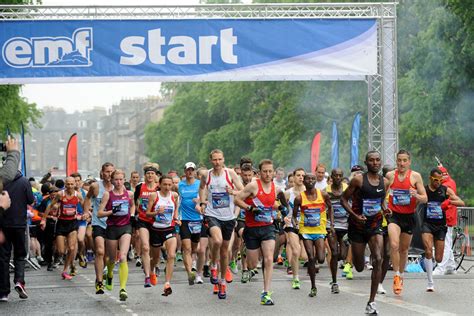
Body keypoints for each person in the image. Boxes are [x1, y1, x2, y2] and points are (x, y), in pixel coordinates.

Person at [341, 151, 389, 315]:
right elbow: (343, 198)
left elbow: (380, 199)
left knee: (378, 258)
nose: (375, 163)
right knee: (360, 267)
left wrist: (385, 209)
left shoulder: (386, 182)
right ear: (366, 162)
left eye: (377, 160)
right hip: (357, 226)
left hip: (375, 225)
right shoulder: (358, 180)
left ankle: (371, 302)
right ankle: (352, 249)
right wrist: (354, 215)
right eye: (371, 160)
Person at [199, 149, 243, 299]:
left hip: (228, 217)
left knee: (225, 252)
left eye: (220, 159)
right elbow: (202, 188)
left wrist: (234, 192)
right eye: (214, 160)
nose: (217, 162)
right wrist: (203, 201)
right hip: (212, 215)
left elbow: (243, 191)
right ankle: (212, 265)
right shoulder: (207, 174)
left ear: (223, 160)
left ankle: (222, 281)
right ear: (211, 161)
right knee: (216, 240)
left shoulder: (230, 174)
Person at [236, 159, 280, 305]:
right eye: (265, 171)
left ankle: (266, 292)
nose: (268, 174)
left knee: (268, 259)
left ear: (273, 172)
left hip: (268, 227)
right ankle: (245, 251)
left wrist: (280, 210)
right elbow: (237, 199)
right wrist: (249, 208)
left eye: (270, 171)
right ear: (260, 172)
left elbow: (273, 203)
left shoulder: (275, 187)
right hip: (252, 228)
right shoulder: (253, 185)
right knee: (253, 265)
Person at [385, 150, 427, 295]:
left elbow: (425, 198)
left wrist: (416, 194)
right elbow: (381, 195)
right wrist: (384, 208)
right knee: (394, 244)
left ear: (409, 162)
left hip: (409, 217)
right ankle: (396, 275)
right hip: (394, 215)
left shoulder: (415, 176)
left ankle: (401, 275)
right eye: (399, 160)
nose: (401, 163)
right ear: (396, 161)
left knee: (404, 250)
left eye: (404, 160)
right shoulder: (390, 176)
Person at [422, 168, 464, 291]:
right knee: (428, 251)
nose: (438, 182)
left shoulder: (445, 190)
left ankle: (434, 262)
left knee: (439, 258)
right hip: (427, 224)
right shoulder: (424, 189)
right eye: (435, 180)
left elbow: (461, 202)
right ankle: (430, 283)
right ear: (430, 178)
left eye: (440, 180)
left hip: (440, 226)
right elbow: (417, 198)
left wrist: (449, 202)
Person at [98, 169, 135, 301]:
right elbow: (99, 213)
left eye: (121, 179)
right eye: (116, 179)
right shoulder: (108, 195)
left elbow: (132, 206)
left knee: (123, 256)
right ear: (112, 180)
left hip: (125, 227)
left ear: (124, 180)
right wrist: (111, 212)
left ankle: (123, 288)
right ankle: (109, 275)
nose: (119, 182)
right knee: (112, 259)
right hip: (112, 228)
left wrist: (132, 215)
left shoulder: (129, 194)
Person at [0, 169, 34, 301]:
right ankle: (19, 281)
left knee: (3, 257)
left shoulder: (1, 181)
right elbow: (31, 200)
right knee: (20, 255)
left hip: (3, 223)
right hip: (19, 224)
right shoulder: (25, 182)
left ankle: (3, 293)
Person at [83, 162, 114, 294]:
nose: (109, 174)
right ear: (102, 172)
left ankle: (108, 272)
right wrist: (86, 211)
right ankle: (99, 281)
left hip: (113, 224)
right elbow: (88, 198)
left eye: (112, 172)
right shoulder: (96, 186)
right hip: (98, 223)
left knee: (110, 256)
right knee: (100, 252)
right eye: (107, 171)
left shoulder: (117, 186)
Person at [46, 177, 85, 280]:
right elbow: (50, 206)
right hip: (61, 224)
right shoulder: (60, 194)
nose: (70, 186)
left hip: (72, 223)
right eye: (68, 184)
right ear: (65, 184)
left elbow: (85, 205)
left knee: (72, 248)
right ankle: (68, 262)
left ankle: (65, 270)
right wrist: (43, 219)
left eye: (72, 184)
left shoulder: (78, 195)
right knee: (61, 251)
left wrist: (86, 213)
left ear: (74, 185)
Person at [146, 175, 180, 296]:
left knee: (171, 255)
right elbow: (147, 214)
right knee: (155, 258)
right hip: (155, 229)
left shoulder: (174, 196)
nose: (167, 187)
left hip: (169, 228)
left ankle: (167, 283)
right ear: (159, 184)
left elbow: (175, 209)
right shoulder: (154, 196)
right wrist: (156, 212)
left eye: (169, 185)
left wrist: (176, 218)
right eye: (164, 184)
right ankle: (152, 270)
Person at [178, 162, 206, 285]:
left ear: (195, 172)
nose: (190, 172)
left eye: (192, 170)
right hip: (184, 219)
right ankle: (190, 273)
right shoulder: (180, 185)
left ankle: (195, 264)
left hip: (198, 219)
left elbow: (206, 199)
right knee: (187, 248)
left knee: (196, 248)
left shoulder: (199, 184)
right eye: (187, 170)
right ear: (184, 171)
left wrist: (199, 202)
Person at [278, 168, 305, 287]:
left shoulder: (309, 192)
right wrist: (283, 217)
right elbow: (278, 207)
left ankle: (296, 266)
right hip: (291, 224)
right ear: (293, 177)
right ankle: (296, 278)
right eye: (298, 175)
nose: (300, 178)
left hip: (306, 225)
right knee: (295, 250)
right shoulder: (288, 193)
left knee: (304, 256)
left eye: (302, 176)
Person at [134, 163, 160, 287]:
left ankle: (153, 268)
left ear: (156, 176)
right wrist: (135, 214)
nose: (150, 175)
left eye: (152, 174)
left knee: (155, 251)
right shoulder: (140, 187)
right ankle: (147, 277)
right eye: (148, 174)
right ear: (144, 176)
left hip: (156, 221)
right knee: (145, 247)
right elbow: (135, 201)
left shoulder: (159, 187)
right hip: (143, 220)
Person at [326, 168, 348, 294]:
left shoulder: (347, 188)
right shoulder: (326, 191)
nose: (338, 177)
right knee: (334, 253)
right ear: (332, 177)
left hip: (345, 225)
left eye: (340, 175)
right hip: (331, 225)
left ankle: (343, 250)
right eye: (336, 175)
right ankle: (334, 282)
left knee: (342, 255)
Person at [433, 165, 459, 275]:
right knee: (447, 241)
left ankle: (441, 268)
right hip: (450, 216)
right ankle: (451, 266)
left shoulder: (445, 186)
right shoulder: (451, 181)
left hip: (446, 217)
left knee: (445, 243)